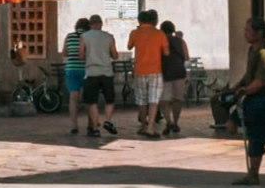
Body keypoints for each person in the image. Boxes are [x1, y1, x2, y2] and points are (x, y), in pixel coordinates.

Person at [232, 18, 265, 185]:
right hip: (252, 98)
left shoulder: (264, 54)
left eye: (248, 30)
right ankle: (252, 174)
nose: (245, 33)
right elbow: (248, 75)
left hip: (263, 100)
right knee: (251, 134)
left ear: (259, 33)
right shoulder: (252, 51)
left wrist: (244, 91)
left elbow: (260, 81)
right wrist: (236, 87)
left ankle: (253, 174)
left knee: (256, 136)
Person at [126, 10, 168, 138]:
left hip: (140, 70)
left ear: (139, 21)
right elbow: (166, 52)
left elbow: (129, 46)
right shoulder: (159, 33)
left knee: (142, 100)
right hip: (155, 70)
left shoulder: (134, 33)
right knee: (154, 101)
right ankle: (150, 128)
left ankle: (143, 127)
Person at [80, 15, 120, 137]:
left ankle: (96, 126)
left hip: (91, 72)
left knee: (92, 102)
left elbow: (81, 55)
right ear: (101, 24)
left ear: (90, 25)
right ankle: (107, 121)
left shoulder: (84, 37)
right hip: (107, 72)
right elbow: (115, 55)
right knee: (109, 100)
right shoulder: (109, 37)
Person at [159, 21, 190, 137]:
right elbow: (186, 57)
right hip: (179, 72)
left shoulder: (160, 41)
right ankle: (176, 122)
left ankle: (168, 121)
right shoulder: (180, 41)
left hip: (165, 73)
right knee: (177, 99)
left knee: (164, 100)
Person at [62, 18, 90, 135]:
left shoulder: (69, 36)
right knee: (89, 98)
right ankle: (90, 124)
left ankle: (74, 125)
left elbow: (65, 52)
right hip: (85, 70)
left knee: (73, 99)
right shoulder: (88, 37)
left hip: (71, 69)